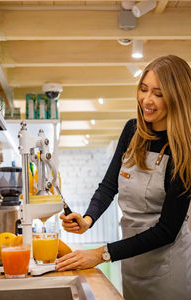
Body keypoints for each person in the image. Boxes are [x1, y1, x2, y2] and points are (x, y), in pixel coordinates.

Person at [55, 55, 191, 300]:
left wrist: (101, 254)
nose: (147, 100)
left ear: (178, 98)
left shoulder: (184, 150)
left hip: (169, 265)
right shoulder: (132, 131)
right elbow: (108, 186)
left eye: (158, 94)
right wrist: (87, 219)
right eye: (144, 89)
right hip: (131, 258)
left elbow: (167, 230)